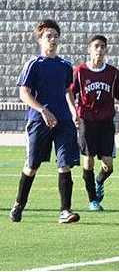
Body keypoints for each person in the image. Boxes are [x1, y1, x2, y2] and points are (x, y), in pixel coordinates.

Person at [10, 19, 81, 224]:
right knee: (32, 166)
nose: (52, 39)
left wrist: (73, 111)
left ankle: (65, 211)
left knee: (64, 164)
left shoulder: (66, 65)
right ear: (40, 40)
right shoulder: (34, 64)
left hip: (64, 122)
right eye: (48, 36)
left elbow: (67, 90)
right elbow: (24, 93)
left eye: (55, 36)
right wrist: (43, 110)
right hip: (38, 122)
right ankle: (18, 205)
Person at [71, 35, 119, 211]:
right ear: (89, 49)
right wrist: (74, 112)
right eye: (96, 46)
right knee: (88, 162)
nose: (99, 49)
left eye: (103, 46)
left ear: (106, 50)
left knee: (108, 165)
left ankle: (99, 180)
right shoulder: (80, 71)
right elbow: (70, 93)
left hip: (106, 122)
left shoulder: (113, 73)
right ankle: (93, 200)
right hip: (87, 121)